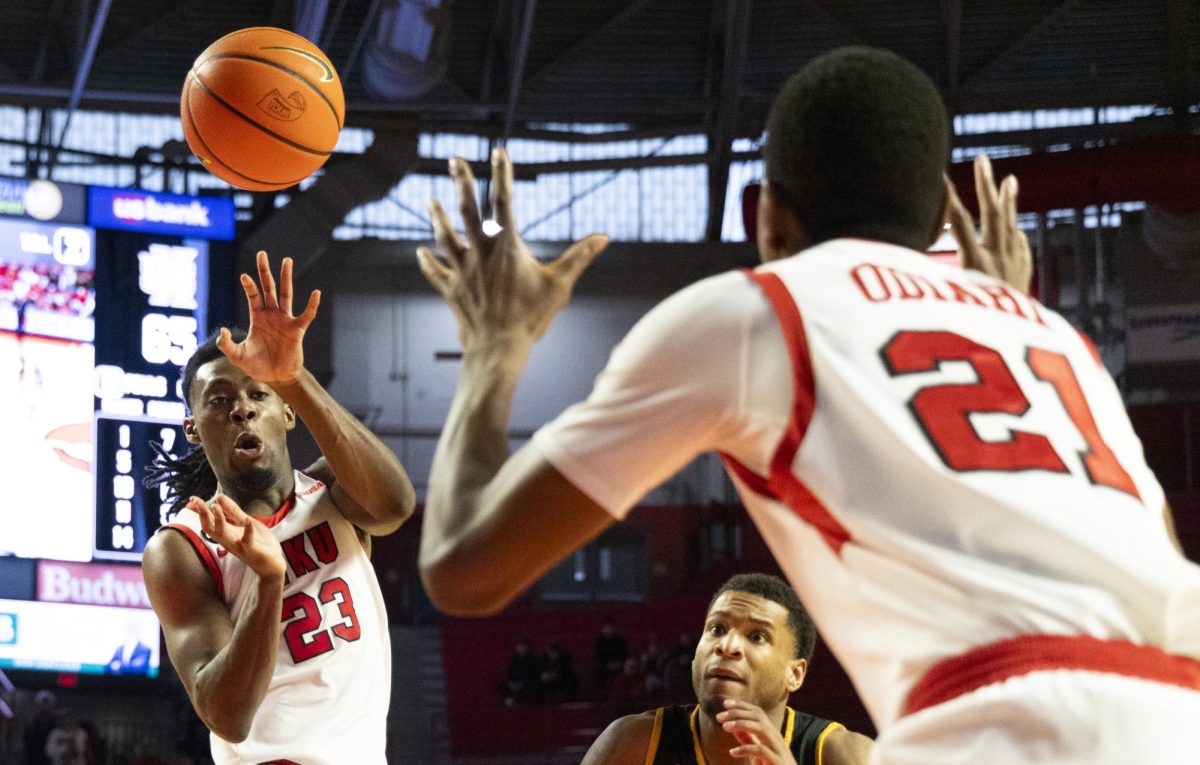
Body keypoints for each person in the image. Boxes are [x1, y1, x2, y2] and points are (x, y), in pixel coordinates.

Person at [415, 45, 1200, 763]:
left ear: (769, 217)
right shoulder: (1054, 337)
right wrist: (995, 304)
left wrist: (495, 344)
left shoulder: (758, 310)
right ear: (934, 220)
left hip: (1006, 727)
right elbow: (1158, 547)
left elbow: (462, 570)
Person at [141, 252, 415, 764]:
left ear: (286, 411)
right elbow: (227, 715)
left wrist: (294, 376)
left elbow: (396, 505)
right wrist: (268, 581)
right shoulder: (182, 546)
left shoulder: (334, 491)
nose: (241, 406)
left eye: (258, 393)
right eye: (219, 400)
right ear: (194, 430)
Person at [583, 573, 872, 765]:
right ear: (695, 658)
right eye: (717, 629)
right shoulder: (634, 744)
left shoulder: (841, 754)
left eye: (757, 636)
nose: (727, 645)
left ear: (794, 674)